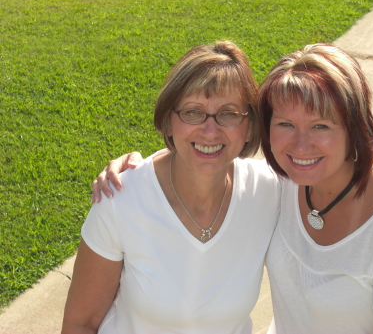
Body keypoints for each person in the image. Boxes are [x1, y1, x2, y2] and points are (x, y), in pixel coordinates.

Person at [92, 44, 373, 333]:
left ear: (354, 127)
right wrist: (135, 169)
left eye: (321, 126)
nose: (300, 146)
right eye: (286, 124)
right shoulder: (284, 186)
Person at [62, 41, 281, 334]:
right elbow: (81, 323)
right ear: (168, 122)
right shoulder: (120, 199)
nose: (210, 130)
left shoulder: (269, 192)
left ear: (250, 127)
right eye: (192, 112)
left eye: (228, 113)